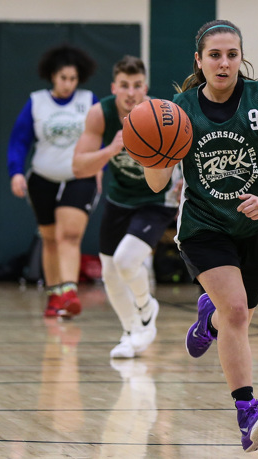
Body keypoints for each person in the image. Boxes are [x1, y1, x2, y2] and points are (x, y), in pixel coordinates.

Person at [141, 20, 258, 452]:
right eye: (214, 55)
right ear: (199, 60)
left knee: (236, 316)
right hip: (204, 226)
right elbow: (158, 184)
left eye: (231, 54)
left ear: (241, 57)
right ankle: (247, 411)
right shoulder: (177, 110)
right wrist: (146, 148)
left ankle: (206, 318)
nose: (224, 62)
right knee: (235, 312)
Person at [72, 56, 180, 359]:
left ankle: (146, 306)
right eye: (124, 86)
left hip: (157, 200)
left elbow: (186, 149)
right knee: (109, 272)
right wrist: (111, 148)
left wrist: (183, 181)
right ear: (113, 88)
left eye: (136, 86)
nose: (131, 93)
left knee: (125, 260)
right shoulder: (100, 114)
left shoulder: (162, 113)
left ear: (145, 87)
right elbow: (78, 166)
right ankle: (132, 331)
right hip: (119, 199)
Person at [7, 44, 98, 318]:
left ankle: (69, 291)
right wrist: (16, 172)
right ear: (52, 77)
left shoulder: (89, 100)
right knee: (49, 240)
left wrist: (99, 168)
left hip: (79, 177)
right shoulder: (37, 102)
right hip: (43, 178)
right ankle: (55, 295)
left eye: (73, 78)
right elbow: (19, 141)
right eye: (63, 78)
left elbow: (98, 138)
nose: (68, 84)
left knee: (68, 235)